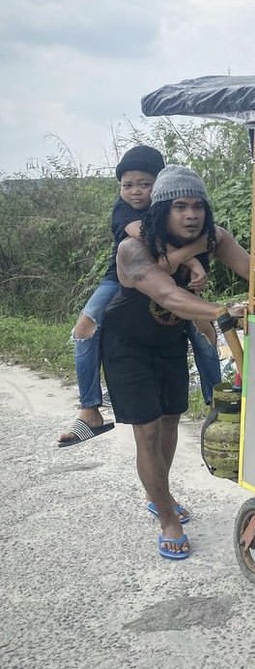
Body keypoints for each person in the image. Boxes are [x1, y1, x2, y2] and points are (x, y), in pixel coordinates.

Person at [100, 165, 250, 560]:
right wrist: (225, 310)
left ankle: (158, 493)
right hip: (126, 345)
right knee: (147, 433)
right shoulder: (133, 249)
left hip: (168, 342)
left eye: (198, 206)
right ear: (161, 210)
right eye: (180, 206)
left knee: (169, 424)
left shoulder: (212, 238)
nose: (191, 215)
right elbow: (170, 297)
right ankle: (167, 517)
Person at [58, 146, 221, 446]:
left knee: (204, 330)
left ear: (159, 185)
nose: (135, 192)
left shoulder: (176, 204)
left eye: (144, 184)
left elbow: (210, 236)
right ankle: (89, 408)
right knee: (85, 328)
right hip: (121, 281)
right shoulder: (125, 211)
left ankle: (217, 398)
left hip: (171, 283)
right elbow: (149, 237)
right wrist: (193, 258)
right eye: (127, 185)